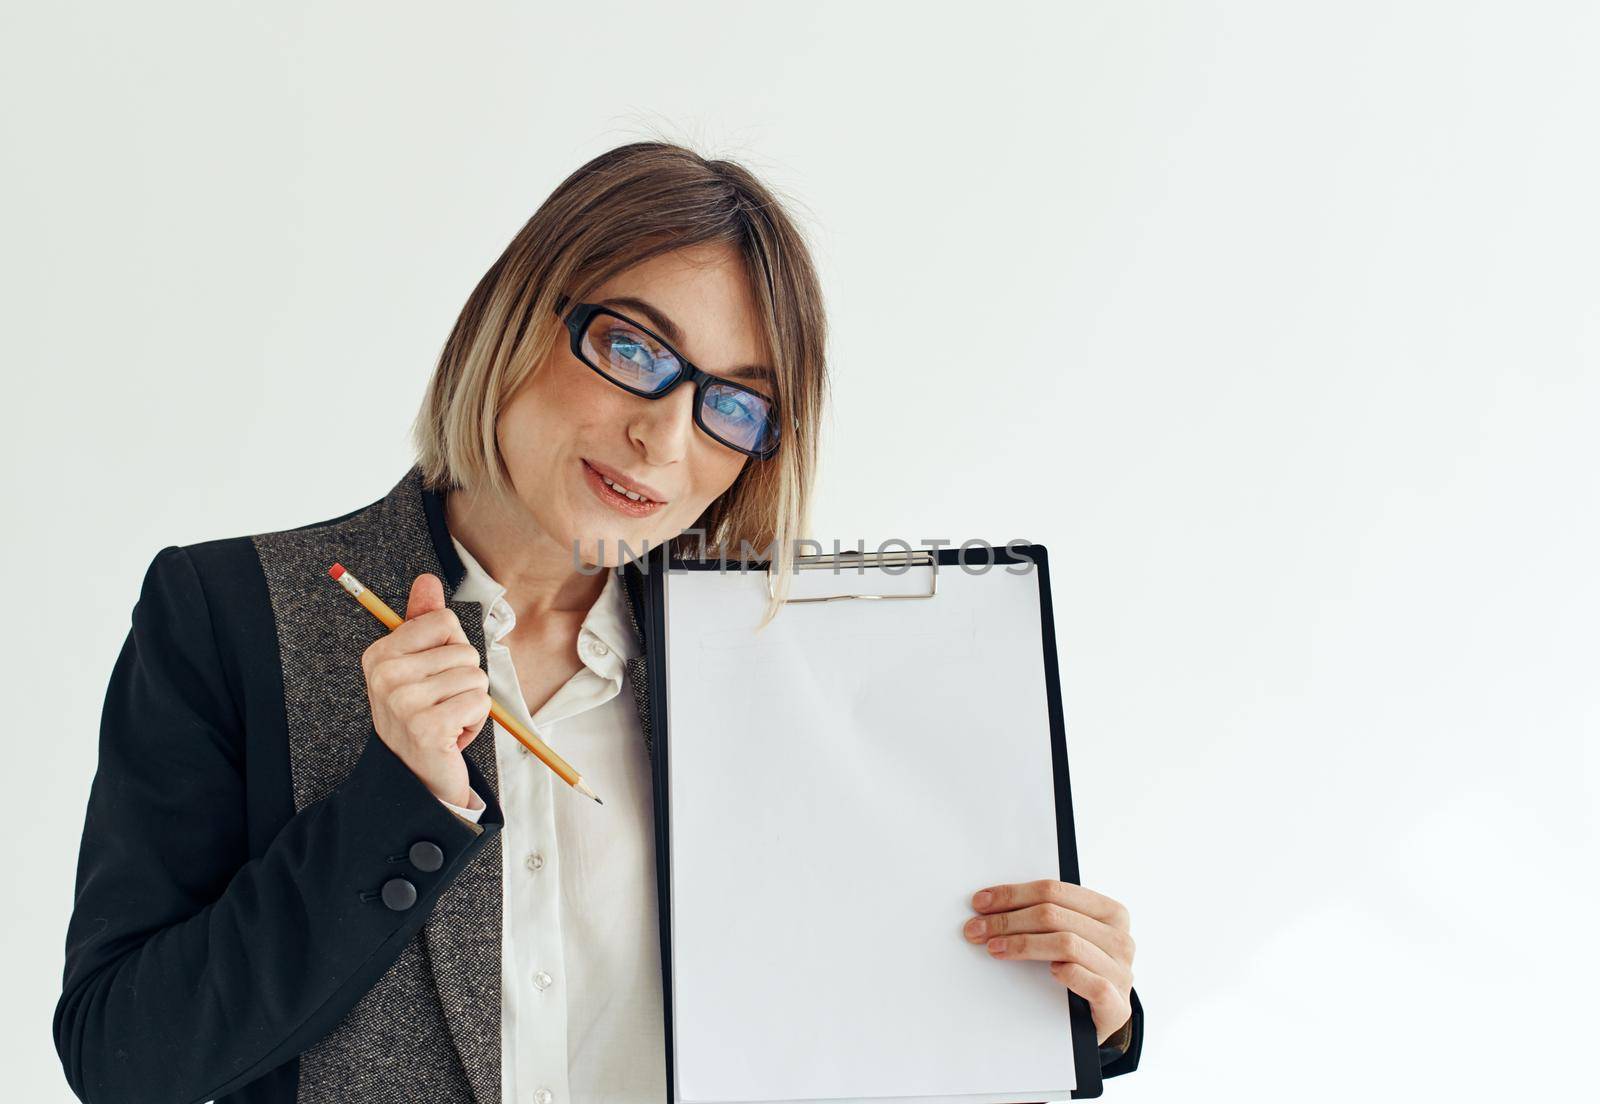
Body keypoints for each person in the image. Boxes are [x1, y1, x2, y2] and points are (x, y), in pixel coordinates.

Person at [53, 140, 1142, 1104]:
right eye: (632, 349)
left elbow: (842, 1020)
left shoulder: (771, 668)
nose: (664, 441)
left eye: (733, 404)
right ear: (518, 316)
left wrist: (1070, 1008)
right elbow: (124, 1061)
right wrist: (404, 800)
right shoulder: (233, 613)